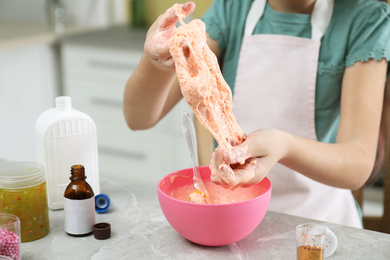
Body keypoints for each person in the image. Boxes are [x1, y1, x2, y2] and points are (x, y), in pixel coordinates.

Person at [123, 0, 390, 228]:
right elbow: (139, 117)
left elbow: (358, 164)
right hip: (234, 220)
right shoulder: (234, 8)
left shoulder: (365, 18)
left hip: (318, 224)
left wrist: (285, 147)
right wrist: (155, 62)